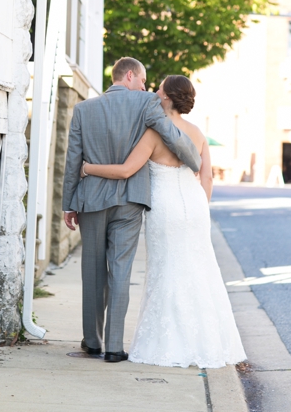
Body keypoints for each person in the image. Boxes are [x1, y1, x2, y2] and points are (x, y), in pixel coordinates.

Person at [80, 75, 246, 368]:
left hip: (165, 208)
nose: (154, 92)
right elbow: (206, 177)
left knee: (166, 270)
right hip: (195, 207)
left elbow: (125, 170)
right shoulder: (197, 133)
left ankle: (169, 344)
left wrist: (88, 168)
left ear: (168, 98)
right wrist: (200, 210)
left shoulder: (155, 133)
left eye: (159, 89)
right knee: (200, 270)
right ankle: (207, 342)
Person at [62, 57, 202, 362]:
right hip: (130, 200)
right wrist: (194, 157)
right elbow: (171, 134)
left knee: (92, 270)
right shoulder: (147, 104)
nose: (145, 86)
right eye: (142, 80)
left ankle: (92, 341)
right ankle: (114, 346)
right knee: (121, 270)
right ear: (129, 75)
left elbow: (73, 159)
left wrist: (68, 204)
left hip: (91, 199)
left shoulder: (84, 109)